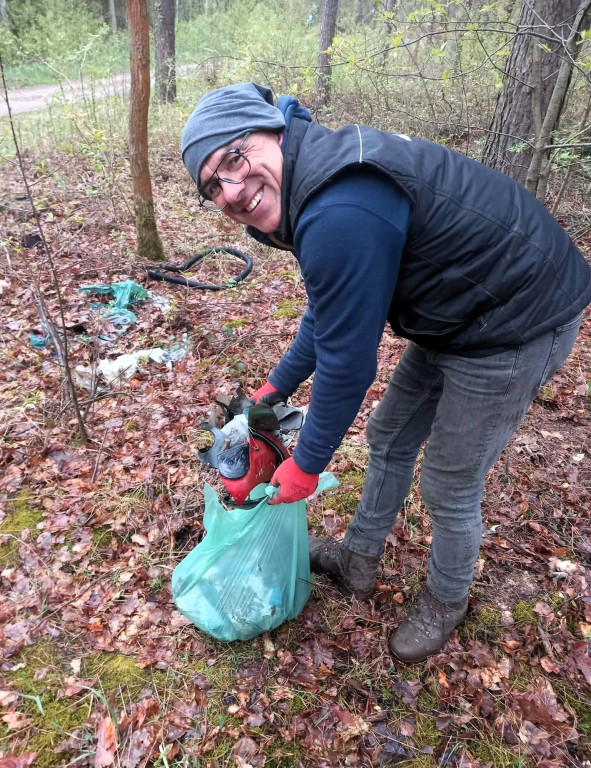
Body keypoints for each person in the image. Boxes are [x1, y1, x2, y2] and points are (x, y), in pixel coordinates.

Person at [181, 82, 591, 662]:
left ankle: (446, 601)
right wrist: (275, 387)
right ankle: (358, 559)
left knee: (449, 481)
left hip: (518, 317)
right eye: (212, 186)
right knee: (390, 435)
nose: (231, 189)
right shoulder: (308, 181)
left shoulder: (337, 206)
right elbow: (329, 311)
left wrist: (306, 464)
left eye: (234, 158)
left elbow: (349, 366)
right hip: (456, 312)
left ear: (271, 131)